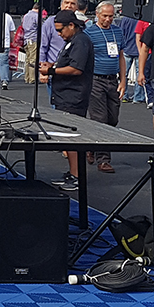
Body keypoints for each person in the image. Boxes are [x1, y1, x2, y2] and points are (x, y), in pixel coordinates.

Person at [40, 10, 94, 191]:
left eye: (60, 30)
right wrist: (53, 65)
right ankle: (73, 173)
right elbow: (68, 64)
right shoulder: (73, 41)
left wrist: (51, 71)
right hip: (65, 94)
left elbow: (76, 69)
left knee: (72, 138)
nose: (58, 34)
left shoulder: (81, 41)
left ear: (71, 25)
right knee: (67, 137)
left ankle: (77, 176)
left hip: (74, 95)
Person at [84, 1, 126, 173]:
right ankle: (103, 159)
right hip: (95, 79)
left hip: (112, 80)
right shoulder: (89, 33)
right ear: (97, 14)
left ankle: (91, 145)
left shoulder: (117, 32)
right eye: (105, 16)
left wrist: (123, 80)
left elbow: (121, 56)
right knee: (100, 118)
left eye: (111, 16)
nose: (108, 19)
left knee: (113, 118)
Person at [119, 15, 146, 103]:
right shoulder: (143, 19)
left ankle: (124, 94)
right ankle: (138, 97)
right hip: (140, 50)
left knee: (124, 73)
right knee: (140, 74)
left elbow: (121, 33)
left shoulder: (125, 19)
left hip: (127, 48)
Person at [22, 3, 40, 84]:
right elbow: (40, 27)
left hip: (26, 39)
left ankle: (27, 77)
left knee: (27, 59)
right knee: (33, 59)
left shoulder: (26, 16)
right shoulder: (36, 16)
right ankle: (33, 78)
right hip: (33, 39)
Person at [0, 12, 16, 90]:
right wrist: (13, 42)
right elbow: (11, 32)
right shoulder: (8, 17)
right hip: (5, 43)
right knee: (4, 63)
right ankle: (4, 80)